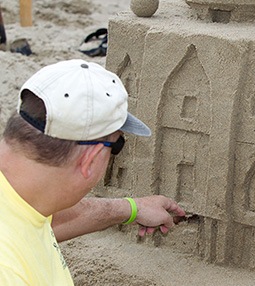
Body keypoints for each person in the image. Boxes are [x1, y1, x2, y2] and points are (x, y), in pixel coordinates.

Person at [0, 59, 186, 285]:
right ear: (92, 158)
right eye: (117, 146)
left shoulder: (21, 197)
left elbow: (41, 222)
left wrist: (132, 208)